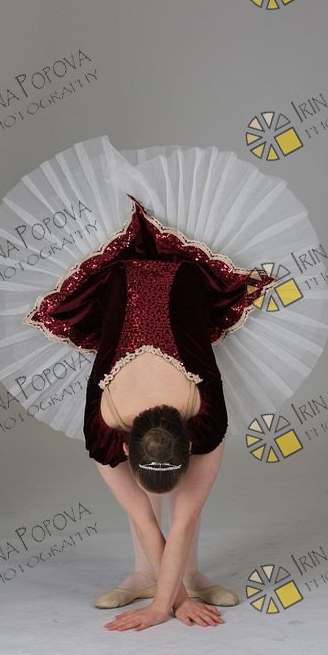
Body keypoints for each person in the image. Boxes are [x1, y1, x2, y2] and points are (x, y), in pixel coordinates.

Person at [27, 198, 276, 632]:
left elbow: (182, 522)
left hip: (188, 282)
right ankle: (147, 575)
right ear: (124, 447)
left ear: (191, 444)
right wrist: (172, 605)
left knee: (184, 511)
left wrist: (166, 607)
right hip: (119, 283)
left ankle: (188, 575)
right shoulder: (103, 422)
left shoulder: (207, 416)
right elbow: (145, 518)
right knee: (144, 512)